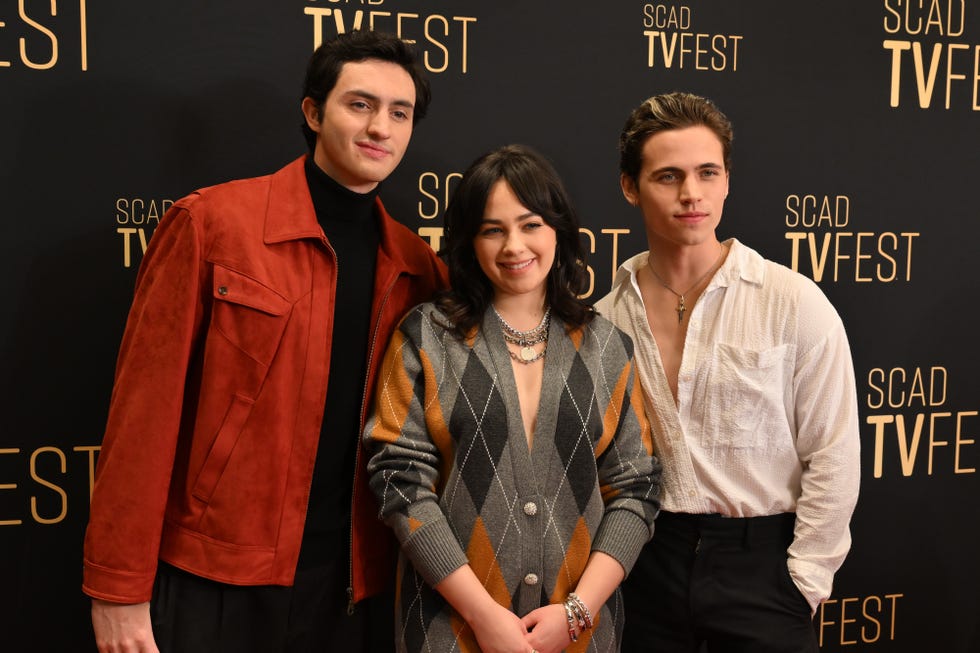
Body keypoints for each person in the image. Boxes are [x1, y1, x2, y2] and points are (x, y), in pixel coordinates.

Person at [82, 30, 448, 653]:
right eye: (359, 104)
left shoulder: (418, 266)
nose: (380, 127)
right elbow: (142, 419)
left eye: (399, 112)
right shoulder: (212, 225)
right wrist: (118, 589)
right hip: (216, 580)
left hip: (360, 590)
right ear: (313, 111)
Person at [363, 144, 662, 653]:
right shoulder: (426, 337)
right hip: (450, 630)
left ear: (558, 231)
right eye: (491, 229)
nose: (513, 246)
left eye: (530, 224)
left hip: (579, 634)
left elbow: (637, 489)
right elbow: (400, 480)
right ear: (469, 242)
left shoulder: (607, 347)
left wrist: (577, 611)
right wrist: (483, 616)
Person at [594, 91, 861, 652]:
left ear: (727, 180)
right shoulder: (604, 318)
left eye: (707, 172)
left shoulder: (792, 302)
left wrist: (802, 583)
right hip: (643, 564)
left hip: (762, 568)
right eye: (668, 176)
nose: (692, 193)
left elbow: (834, 454)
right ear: (629, 187)